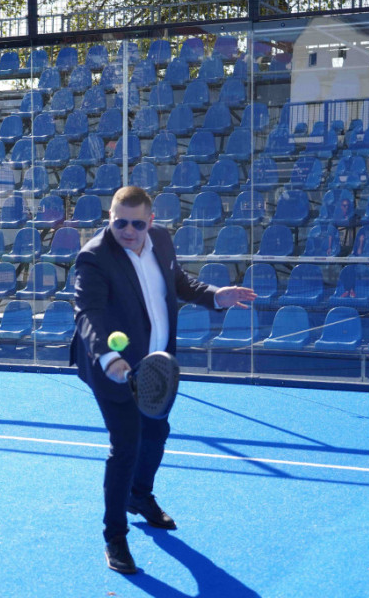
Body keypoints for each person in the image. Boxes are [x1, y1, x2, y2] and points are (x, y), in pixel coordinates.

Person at [70, 186, 255, 574]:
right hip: (114, 368)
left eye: (137, 224)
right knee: (125, 446)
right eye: (120, 222)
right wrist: (109, 357)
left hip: (157, 365)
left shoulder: (161, 240)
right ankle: (115, 537)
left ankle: (140, 496)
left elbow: (179, 283)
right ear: (110, 218)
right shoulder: (94, 257)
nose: (129, 231)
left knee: (155, 433)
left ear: (150, 221)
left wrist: (216, 296)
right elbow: (88, 313)